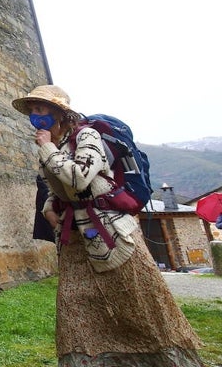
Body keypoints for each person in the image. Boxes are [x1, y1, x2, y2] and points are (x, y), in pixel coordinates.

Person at [12, 85, 205, 367]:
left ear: (59, 113)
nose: (35, 115)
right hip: (75, 239)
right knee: (74, 307)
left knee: (139, 304)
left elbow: (79, 178)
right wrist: (48, 207)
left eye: (40, 109)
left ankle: (165, 360)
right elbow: (58, 186)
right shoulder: (54, 144)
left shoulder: (86, 137)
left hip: (111, 233)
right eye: (32, 110)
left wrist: (47, 149)